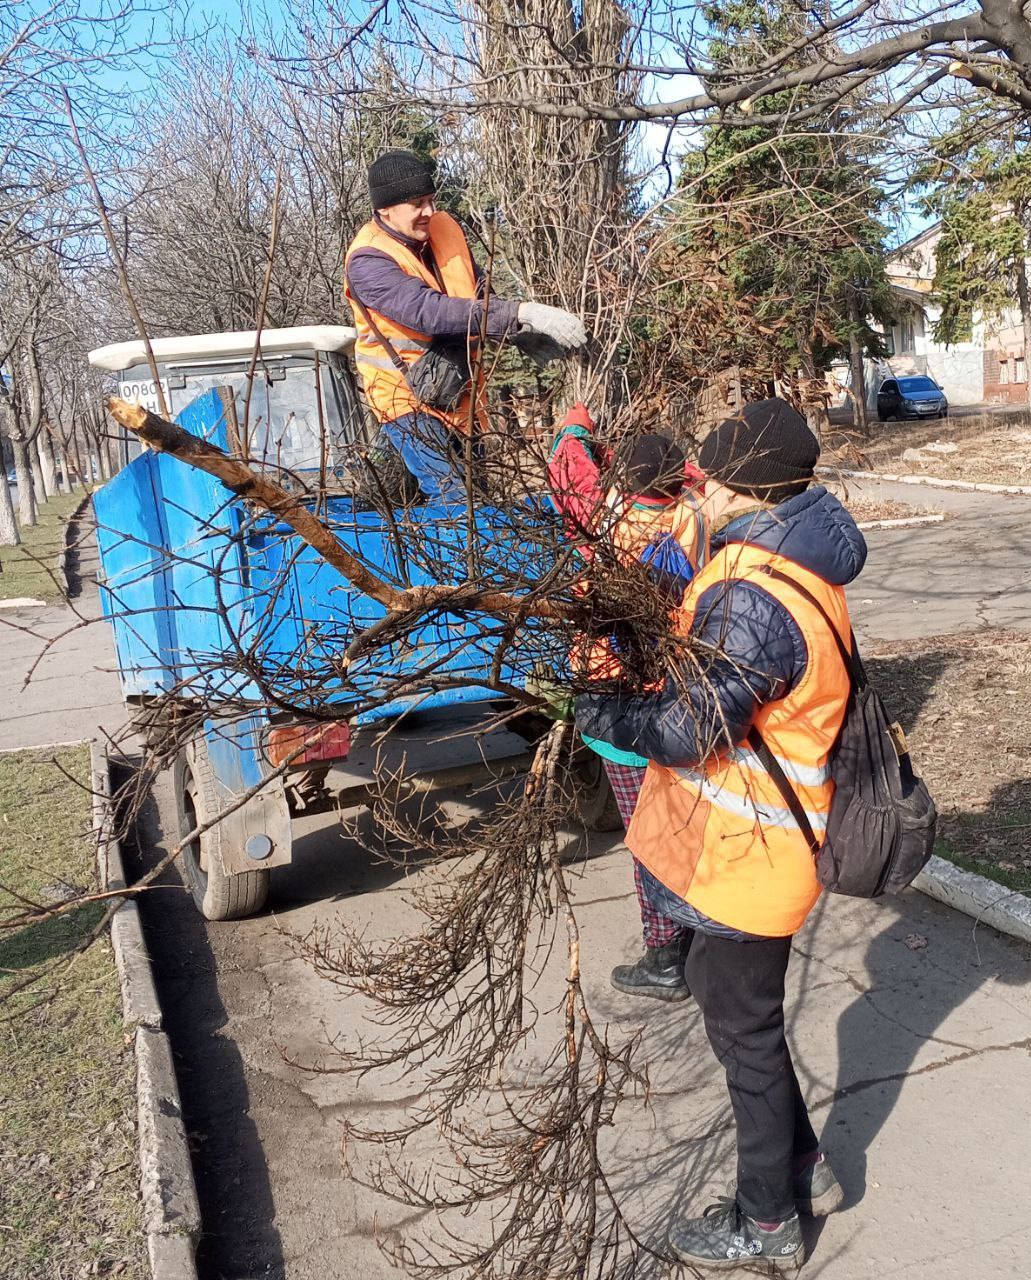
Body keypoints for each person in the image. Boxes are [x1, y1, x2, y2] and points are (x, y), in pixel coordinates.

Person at [575, 398, 867, 1270]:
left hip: (753, 858)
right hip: (744, 851)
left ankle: (766, 1221)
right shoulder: (781, 567)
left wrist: (604, 709)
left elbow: (689, 728)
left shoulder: (754, 596)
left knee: (744, 1037)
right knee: (722, 998)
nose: (695, 489)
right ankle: (802, 1164)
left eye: (710, 476)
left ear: (740, 487)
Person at [546, 404, 708, 999]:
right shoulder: (696, 517)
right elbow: (694, 475)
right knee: (682, 819)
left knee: (645, 830)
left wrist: (576, 427)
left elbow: (570, 474)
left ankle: (666, 956)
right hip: (680, 691)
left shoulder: (606, 523)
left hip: (618, 698)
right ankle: (698, 933)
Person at [344, 149, 586, 498]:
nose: (429, 211)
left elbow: (477, 288)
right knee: (454, 497)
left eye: (431, 200)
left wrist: (516, 334)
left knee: (479, 500)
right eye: (417, 204)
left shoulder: (445, 228)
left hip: (460, 397)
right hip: (405, 403)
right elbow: (429, 312)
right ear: (385, 209)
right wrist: (521, 312)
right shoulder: (367, 260)